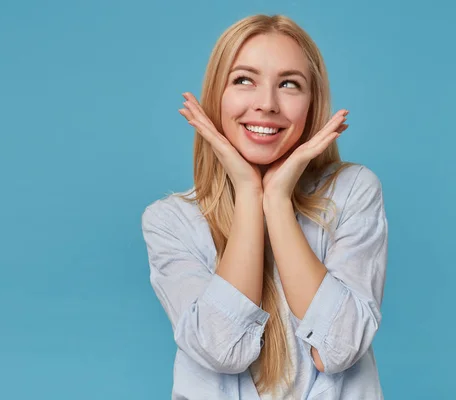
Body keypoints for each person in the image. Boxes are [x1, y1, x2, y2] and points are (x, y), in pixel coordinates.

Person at [140, 14, 388, 400]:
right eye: (244, 80)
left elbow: (337, 349)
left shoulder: (352, 191)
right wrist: (246, 191)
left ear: (312, 103)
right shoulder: (170, 221)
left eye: (289, 84)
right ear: (216, 94)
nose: (267, 104)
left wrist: (276, 201)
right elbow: (224, 350)